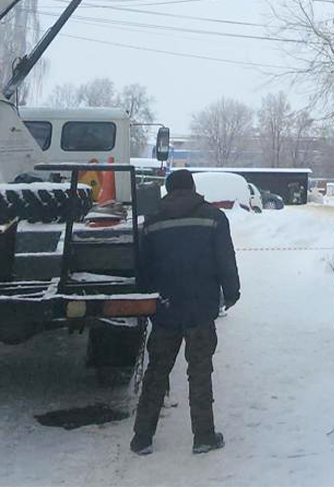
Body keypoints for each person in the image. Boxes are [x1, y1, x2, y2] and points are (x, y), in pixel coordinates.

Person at [130, 168, 240, 456]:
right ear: (192, 187)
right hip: (201, 307)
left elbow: (144, 267)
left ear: (167, 190)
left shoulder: (152, 222)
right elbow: (224, 258)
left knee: (157, 371)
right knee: (200, 371)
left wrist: (147, 297)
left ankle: (142, 437)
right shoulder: (214, 218)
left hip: (166, 307)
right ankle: (203, 436)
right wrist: (231, 292)